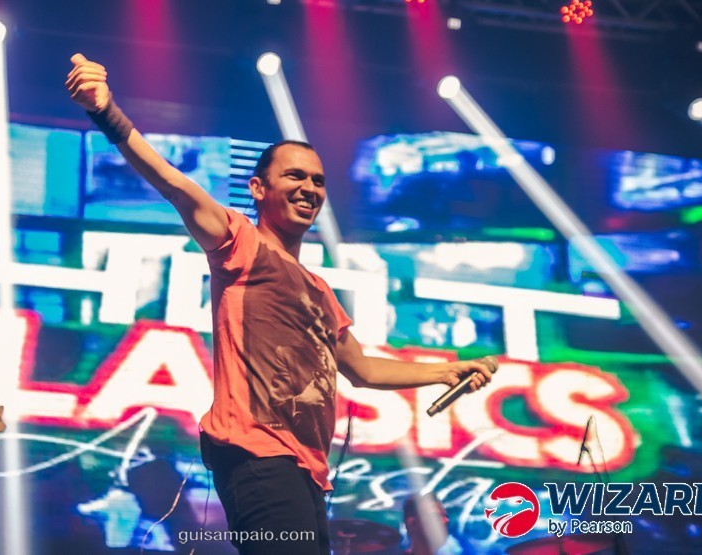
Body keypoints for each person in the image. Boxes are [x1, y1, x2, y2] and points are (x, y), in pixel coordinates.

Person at [66, 54, 494, 555]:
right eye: (295, 176)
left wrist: (447, 372)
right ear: (258, 189)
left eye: (318, 181)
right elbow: (172, 183)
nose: (310, 188)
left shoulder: (320, 290)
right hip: (256, 454)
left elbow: (362, 369)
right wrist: (106, 112)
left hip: (307, 468)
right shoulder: (239, 242)